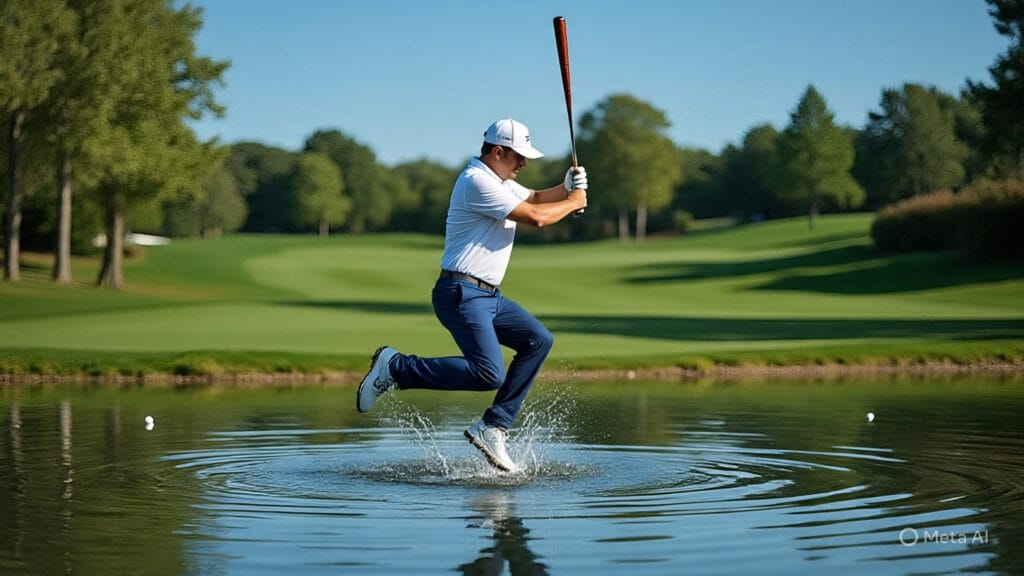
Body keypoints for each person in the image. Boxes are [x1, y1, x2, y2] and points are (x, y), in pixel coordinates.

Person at [356, 118, 588, 472]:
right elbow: (539, 217)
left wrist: (568, 186)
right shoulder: (476, 182)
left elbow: (539, 198)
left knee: (538, 340)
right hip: (460, 292)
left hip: (488, 297)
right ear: (497, 152)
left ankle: (494, 426)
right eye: (517, 157)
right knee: (488, 374)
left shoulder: (498, 181)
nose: (523, 163)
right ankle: (396, 367)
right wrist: (573, 201)